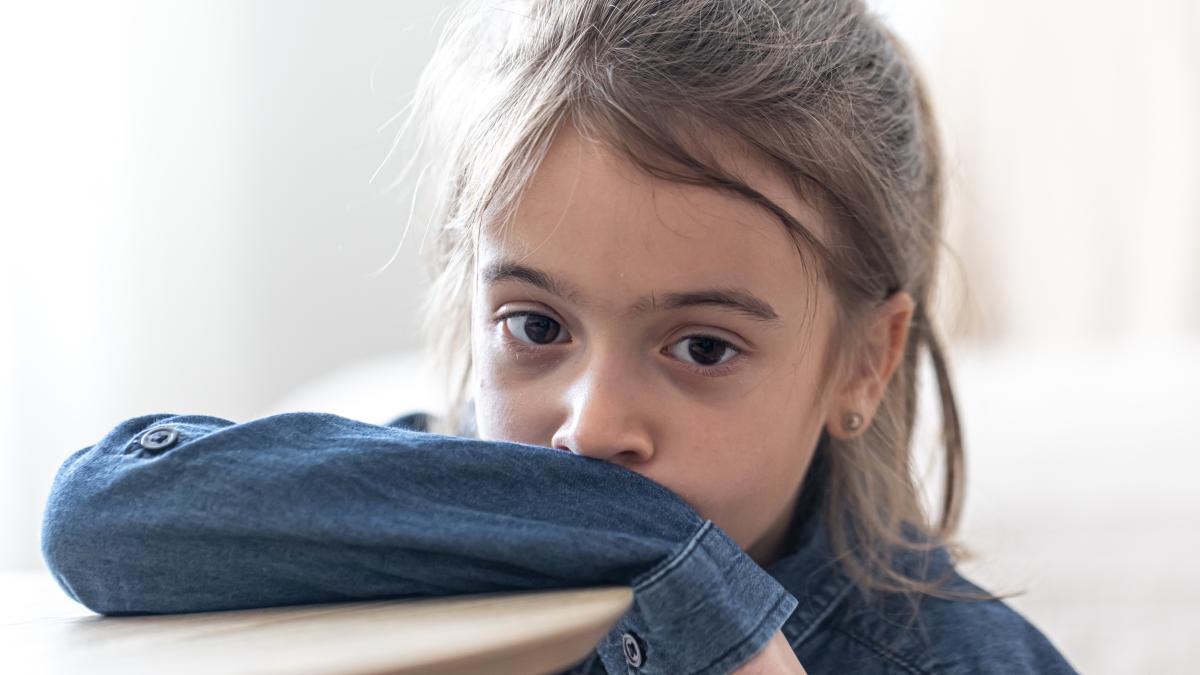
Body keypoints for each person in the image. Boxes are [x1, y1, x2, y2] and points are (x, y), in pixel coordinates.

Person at [40, 0, 1078, 673]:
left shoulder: (960, 659)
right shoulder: (399, 520)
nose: (591, 426)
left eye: (702, 347)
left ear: (864, 361)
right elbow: (100, 515)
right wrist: (670, 553)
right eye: (536, 326)